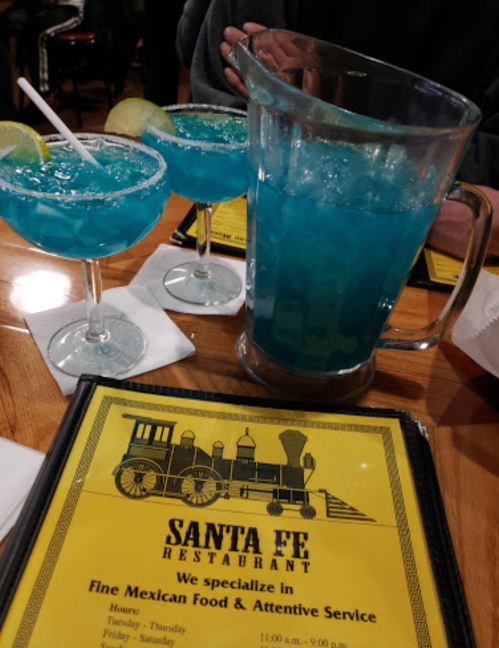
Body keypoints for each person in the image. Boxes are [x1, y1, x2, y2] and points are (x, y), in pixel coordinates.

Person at [182, 0, 499, 259]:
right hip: (261, 238)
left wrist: (317, 114)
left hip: (432, 265)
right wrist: (408, 202)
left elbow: (490, 163)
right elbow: (226, 123)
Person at [0, 0, 84, 118]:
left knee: (35, 32)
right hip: (34, 5)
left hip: (68, 7)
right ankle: (6, 107)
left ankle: (43, 96)